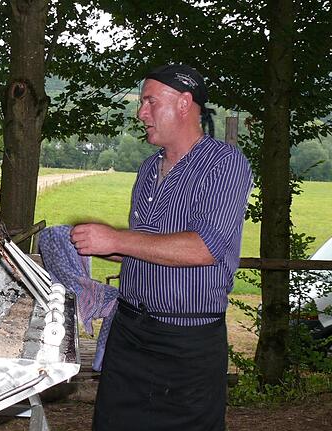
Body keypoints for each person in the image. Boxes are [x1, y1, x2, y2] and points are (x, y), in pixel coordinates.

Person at [70, 64, 253, 430]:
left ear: (184, 103)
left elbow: (205, 248)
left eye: (150, 101)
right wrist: (99, 246)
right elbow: (151, 245)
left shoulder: (225, 163)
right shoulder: (148, 168)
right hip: (130, 334)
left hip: (186, 342)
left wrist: (117, 238)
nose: (141, 112)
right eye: (142, 103)